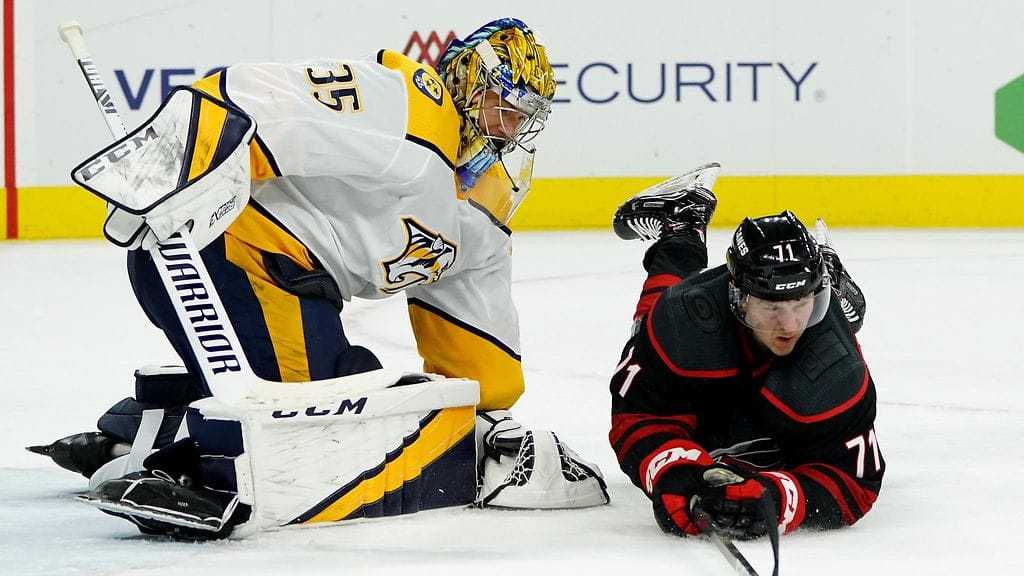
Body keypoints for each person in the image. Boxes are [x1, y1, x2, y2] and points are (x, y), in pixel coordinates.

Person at [33, 17, 608, 538]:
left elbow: (471, 301)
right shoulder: (410, 105)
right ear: (462, 81)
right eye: (496, 104)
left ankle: (146, 433)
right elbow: (259, 98)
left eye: (522, 115)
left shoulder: (487, 196)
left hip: (286, 289)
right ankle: (194, 469)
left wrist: (481, 408)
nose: (506, 125)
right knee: (326, 425)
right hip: (225, 254)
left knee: (363, 393)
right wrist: (177, 161)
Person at [607, 162, 882, 540]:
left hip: (806, 359)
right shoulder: (684, 320)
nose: (789, 324)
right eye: (771, 306)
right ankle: (682, 224)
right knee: (649, 329)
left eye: (803, 301)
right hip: (714, 346)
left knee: (835, 327)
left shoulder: (838, 366)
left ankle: (831, 279)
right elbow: (638, 416)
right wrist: (672, 467)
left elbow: (857, 481)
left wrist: (779, 497)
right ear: (737, 297)